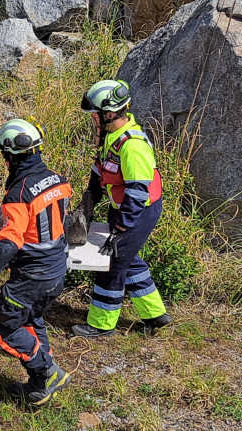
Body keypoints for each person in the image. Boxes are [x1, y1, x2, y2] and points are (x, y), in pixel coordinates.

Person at [0, 119, 73, 405]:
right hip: (56, 270)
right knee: (32, 319)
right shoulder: (57, 180)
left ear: (12, 155)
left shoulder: (19, 193)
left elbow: (9, 243)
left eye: (3, 153)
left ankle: (47, 371)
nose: (2, 158)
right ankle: (39, 387)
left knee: (4, 330)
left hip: (31, 277)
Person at [72, 79, 171, 338]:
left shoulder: (132, 145)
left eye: (95, 115)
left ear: (109, 113)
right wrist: (88, 202)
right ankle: (156, 315)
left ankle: (101, 325)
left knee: (112, 263)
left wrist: (119, 228)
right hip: (123, 209)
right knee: (130, 260)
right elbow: (100, 171)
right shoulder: (111, 137)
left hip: (137, 212)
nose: (92, 120)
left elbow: (137, 193)